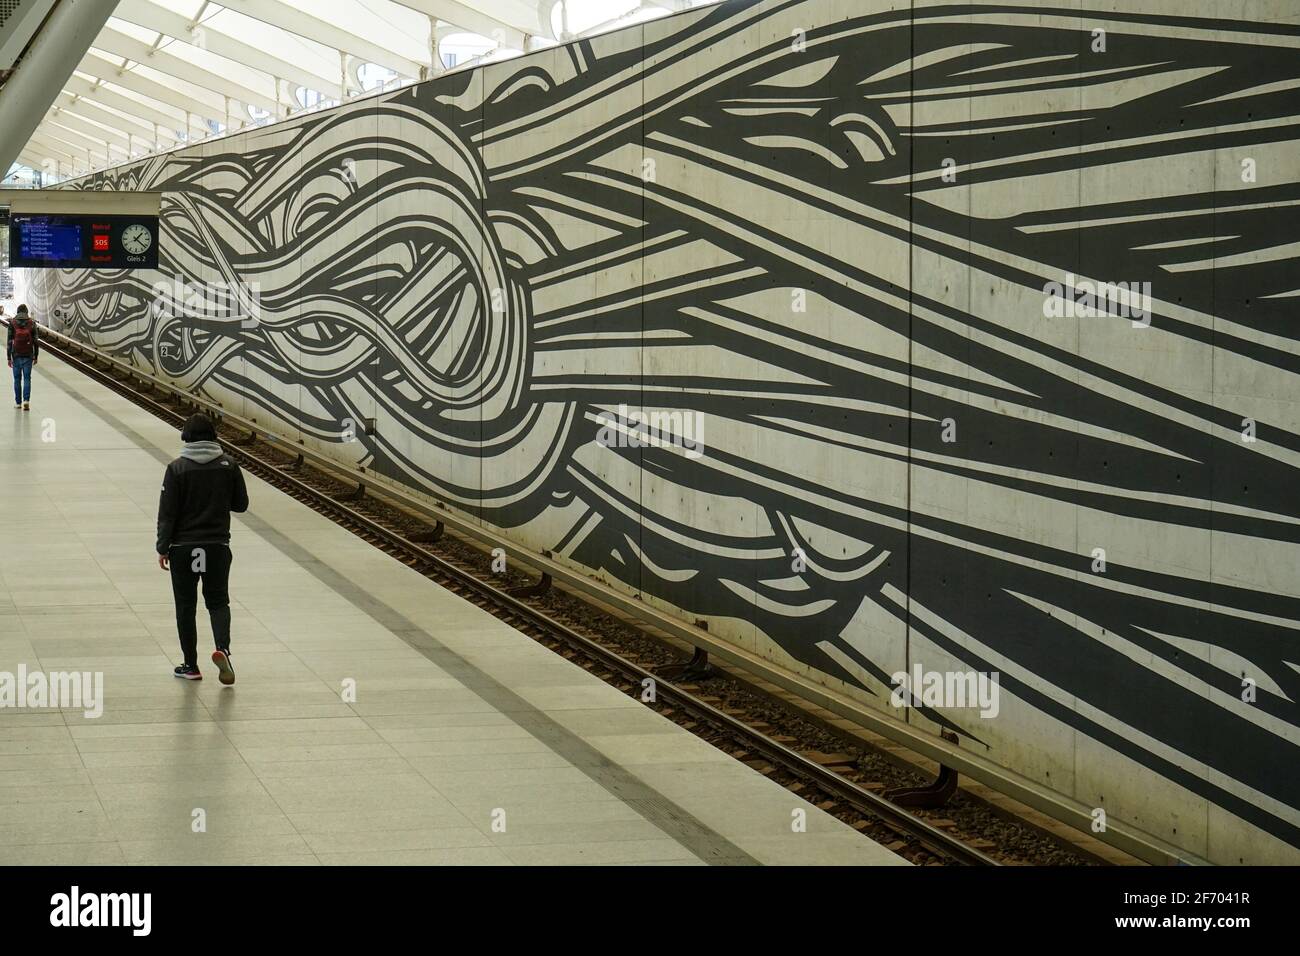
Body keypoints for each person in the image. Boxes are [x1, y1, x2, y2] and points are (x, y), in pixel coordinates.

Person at [156, 413, 249, 684]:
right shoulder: (228, 465)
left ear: (185, 438)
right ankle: (222, 649)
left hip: (183, 548)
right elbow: (241, 504)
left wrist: (162, 547)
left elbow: (167, 514)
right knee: (218, 601)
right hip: (217, 546)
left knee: (186, 606)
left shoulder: (176, 469)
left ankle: (190, 665)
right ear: (213, 437)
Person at [7, 304, 38, 411]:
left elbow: (9, 342)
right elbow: (36, 341)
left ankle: (18, 402)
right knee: (27, 378)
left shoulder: (13, 323)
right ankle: (26, 401)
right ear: (26, 311)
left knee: (17, 379)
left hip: (16, 355)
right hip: (28, 355)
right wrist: (36, 356)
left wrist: (8, 358)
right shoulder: (31, 323)